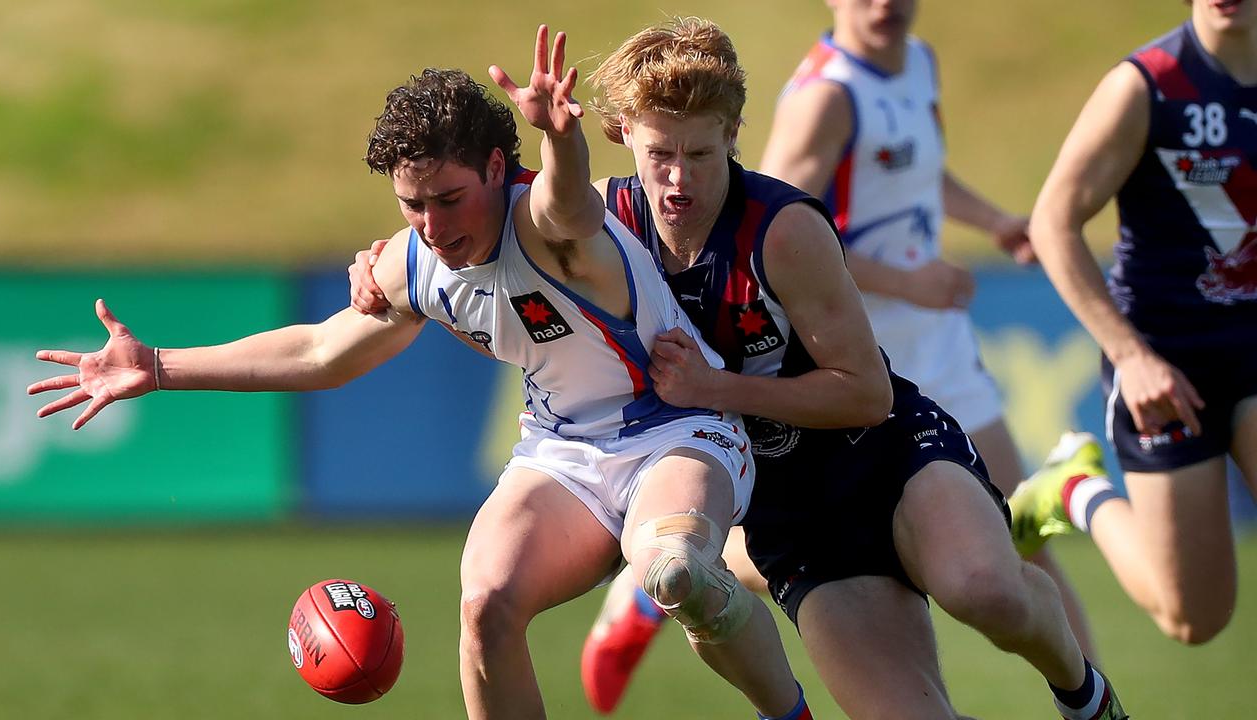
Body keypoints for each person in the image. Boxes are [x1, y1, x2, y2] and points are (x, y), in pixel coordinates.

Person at [27, 27, 814, 720]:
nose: (433, 228)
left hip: (676, 430)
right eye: (411, 206)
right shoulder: (414, 263)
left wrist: (562, 140)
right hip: (562, 453)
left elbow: (567, 201)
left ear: (499, 168)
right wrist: (158, 366)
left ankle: (788, 716)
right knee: (484, 605)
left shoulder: (547, 225)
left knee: (674, 570)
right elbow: (321, 352)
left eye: (448, 199)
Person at [350, 17, 1126, 720]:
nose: (679, 179)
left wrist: (715, 388)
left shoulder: (782, 229)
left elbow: (865, 394)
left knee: (984, 589)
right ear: (622, 136)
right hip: (792, 520)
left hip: (885, 456)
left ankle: (1084, 695)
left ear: (733, 135)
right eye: (660, 155)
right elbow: (478, 239)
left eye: (700, 153)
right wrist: (383, 261)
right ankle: (647, 592)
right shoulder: (595, 228)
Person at [756, 0, 1097, 660]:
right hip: (853, 361)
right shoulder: (826, 99)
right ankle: (661, 586)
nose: (884, 4)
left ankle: (1096, 703)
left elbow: (918, 170)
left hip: (938, 345)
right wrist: (912, 283)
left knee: (1025, 538)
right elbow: (774, 242)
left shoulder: (919, 62)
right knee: (849, 554)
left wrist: (992, 219)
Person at [1013, 0, 1257, 647]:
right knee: (1193, 618)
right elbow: (1052, 223)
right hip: (1166, 360)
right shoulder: (1147, 84)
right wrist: (1132, 357)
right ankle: (1077, 491)